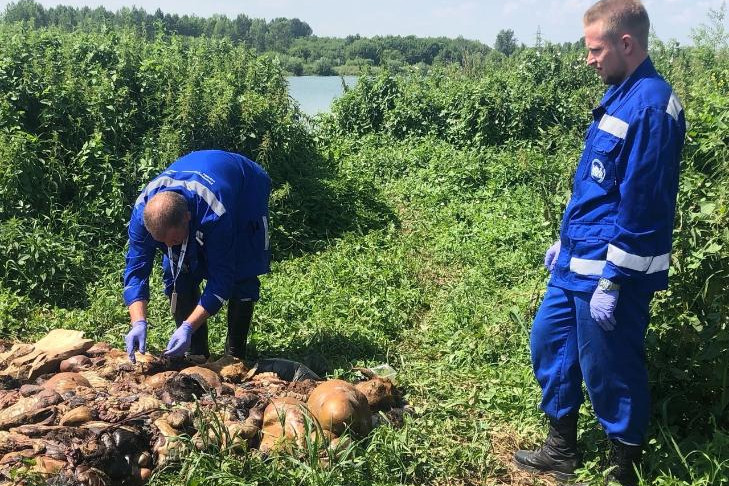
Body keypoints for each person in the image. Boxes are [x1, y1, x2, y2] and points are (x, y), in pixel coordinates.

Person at [513, 1, 685, 485]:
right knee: (549, 344)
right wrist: (562, 240)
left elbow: (644, 206)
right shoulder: (621, 96)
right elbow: (597, 188)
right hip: (576, 262)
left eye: (595, 49)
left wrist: (616, 278)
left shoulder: (651, 106)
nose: (588, 59)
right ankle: (562, 448)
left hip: (611, 272)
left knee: (610, 367)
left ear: (625, 44)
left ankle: (623, 466)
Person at [122, 150, 271, 362]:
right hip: (199, 183)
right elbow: (136, 271)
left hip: (245, 189)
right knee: (175, 270)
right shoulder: (142, 214)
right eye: (160, 242)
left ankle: (235, 356)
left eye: (172, 240)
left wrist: (188, 326)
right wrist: (138, 322)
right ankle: (197, 353)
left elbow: (222, 281)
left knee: (241, 270)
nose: (166, 246)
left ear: (188, 218)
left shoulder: (215, 213)